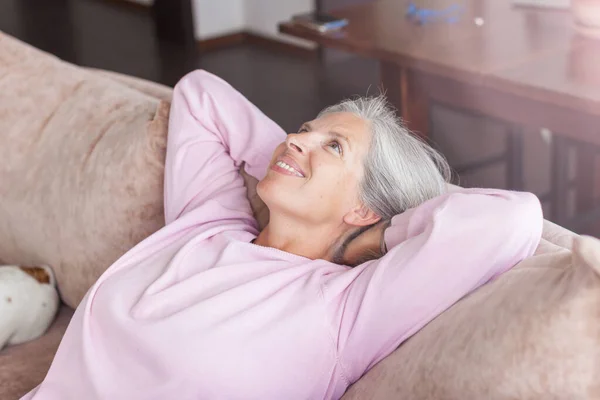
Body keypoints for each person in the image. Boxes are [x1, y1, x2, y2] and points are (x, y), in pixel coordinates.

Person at [23, 70, 543, 400]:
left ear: (364, 209)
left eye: (333, 146)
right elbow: (200, 94)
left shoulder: (345, 309)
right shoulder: (208, 223)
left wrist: (383, 232)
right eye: (303, 129)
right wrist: (293, 157)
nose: (297, 139)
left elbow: (510, 220)